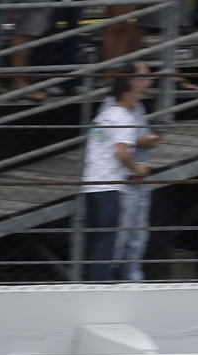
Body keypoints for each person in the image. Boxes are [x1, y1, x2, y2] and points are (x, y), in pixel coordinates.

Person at [81, 71, 148, 282]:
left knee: (95, 239)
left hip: (90, 184)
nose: (139, 98)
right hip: (108, 187)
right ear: (127, 94)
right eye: (137, 94)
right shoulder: (124, 118)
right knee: (106, 240)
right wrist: (136, 168)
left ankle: (89, 283)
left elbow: (99, 147)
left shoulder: (103, 116)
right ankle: (100, 286)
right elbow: (120, 152)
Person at [99, 61, 159, 281]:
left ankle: (133, 278)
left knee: (138, 235)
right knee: (118, 237)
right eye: (144, 78)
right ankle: (110, 279)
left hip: (138, 181)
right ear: (130, 81)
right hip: (121, 181)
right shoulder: (111, 107)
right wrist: (138, 142)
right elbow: (101, 140)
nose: (148, 83)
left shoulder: (139, 106)